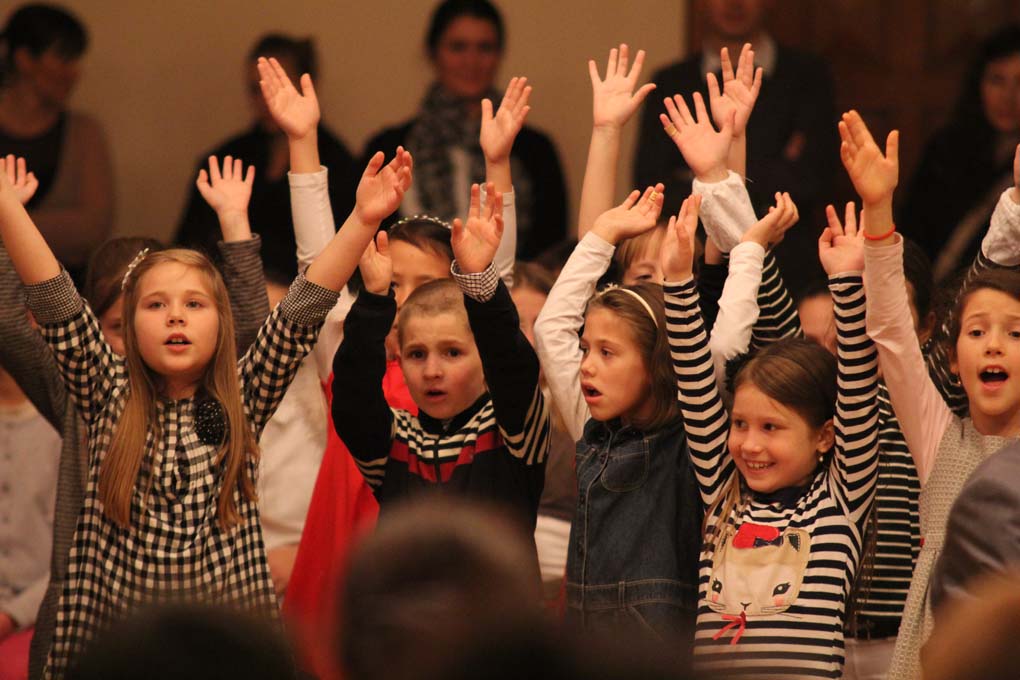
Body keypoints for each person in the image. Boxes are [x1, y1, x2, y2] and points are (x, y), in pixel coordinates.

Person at [0, 54, 412, 676]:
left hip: (223, 652)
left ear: (222, 327)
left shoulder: (242, 395)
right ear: (126, 327)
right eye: (156, 306)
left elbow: (305, 307)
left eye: (193, 304)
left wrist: (361, 220)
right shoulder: (104, 390)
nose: (174, 318)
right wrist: (8, 211)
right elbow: (53, 298)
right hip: (117, 652)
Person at [665, 181, 880, 676]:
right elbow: (696, 383)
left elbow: (858, 384)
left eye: (771, 428)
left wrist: (847, 283)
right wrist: (678, 283)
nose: (749, 444)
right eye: (739, 424)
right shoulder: (725, 493)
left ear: (825, 436)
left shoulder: (840, 500)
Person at [851, 109, 1020, 679]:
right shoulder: (941, 439)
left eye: (1016, 333)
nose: (993, 347)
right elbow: (893, 335)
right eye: (977, 332)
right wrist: (878, 212)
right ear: (953, 356)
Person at [331, 177, 550, 526]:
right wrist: (373, 299)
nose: (432, 371)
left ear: (484, 359)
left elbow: (512, 364)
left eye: (452, 353)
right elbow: (353, 395)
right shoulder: (393, 442)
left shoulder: (514, 433)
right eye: (417, 354)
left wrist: (478, 278)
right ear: (399, 359)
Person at [634, 0, 837, 296]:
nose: (734, 3)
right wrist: (772, 167)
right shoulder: (670, 82)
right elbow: (653, 185)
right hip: (695, 263)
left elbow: (813, 177)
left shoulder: (808, 75)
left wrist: (703, 174)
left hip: (787, 266)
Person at [362, 0, 567, 259]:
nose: (471, 61)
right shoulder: (391, 146)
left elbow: (550, 250)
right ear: (433, 53)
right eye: (458, 47)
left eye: (485, 48)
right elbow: (368, 242)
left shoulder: (535, 150)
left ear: (499, 54)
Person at [175, 34, 358, 280]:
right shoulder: (223, 160)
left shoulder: (340, 164)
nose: (266, 100)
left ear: (308, 85)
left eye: (277, 87)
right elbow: (187, 250)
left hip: (310, 301)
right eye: (256, 89)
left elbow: (346, 258)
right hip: (228, 298)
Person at [0, 4, 113, 283]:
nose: (74, 72)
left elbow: (92, 228)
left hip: (64, 289)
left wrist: (7, 223)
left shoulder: (84, 132)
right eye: (63, 58)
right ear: (25, 58)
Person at [900, 24, 1020, 282]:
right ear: (979, 84)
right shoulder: (946, 149)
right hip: (935, 290)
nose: (1009, 97)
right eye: (997, 80)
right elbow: (912, 231)